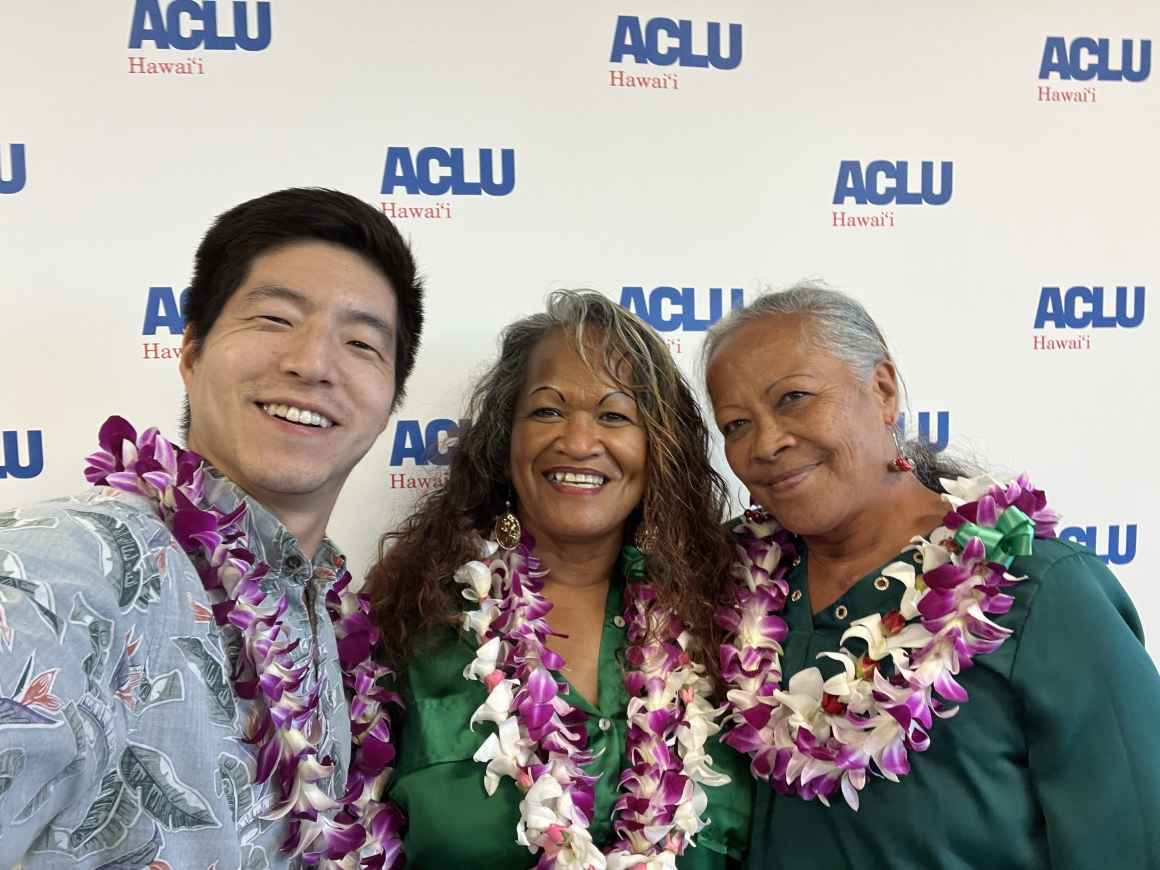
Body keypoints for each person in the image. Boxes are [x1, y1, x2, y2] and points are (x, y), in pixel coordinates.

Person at [0, 188, 424, 869]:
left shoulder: (334, 618)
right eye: (276, 318)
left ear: (388, 408)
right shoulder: (68, 570)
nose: (312, 363)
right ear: (191, 351)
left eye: (360, 343)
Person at [703, 282, 1160, 869]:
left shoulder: (1038, 587)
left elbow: (1134, 846)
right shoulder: (737, 599)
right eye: (736, 425)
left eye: (794, 397)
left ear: (883, 390)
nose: (766, 442)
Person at [365, 290, 753, 868]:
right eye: (547, 410)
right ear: (505, 442)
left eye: (615, 415)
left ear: (658, 451)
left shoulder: (728, 624)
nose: (576, 441)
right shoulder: (411, 620)